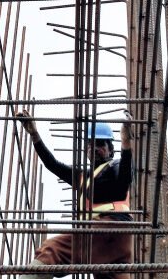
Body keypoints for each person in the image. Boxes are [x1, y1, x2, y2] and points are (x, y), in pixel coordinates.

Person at [16, 110, 134, 279]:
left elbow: (124, 181)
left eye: (100, 143)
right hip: (115, 243)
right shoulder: (84, 177)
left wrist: (126, 144)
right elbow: (53, 165)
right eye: (90, 144)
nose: (94, 148)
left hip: (109, 228)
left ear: (110, 150)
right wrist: (35, 135)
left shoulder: (113, 166)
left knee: (53, 250)